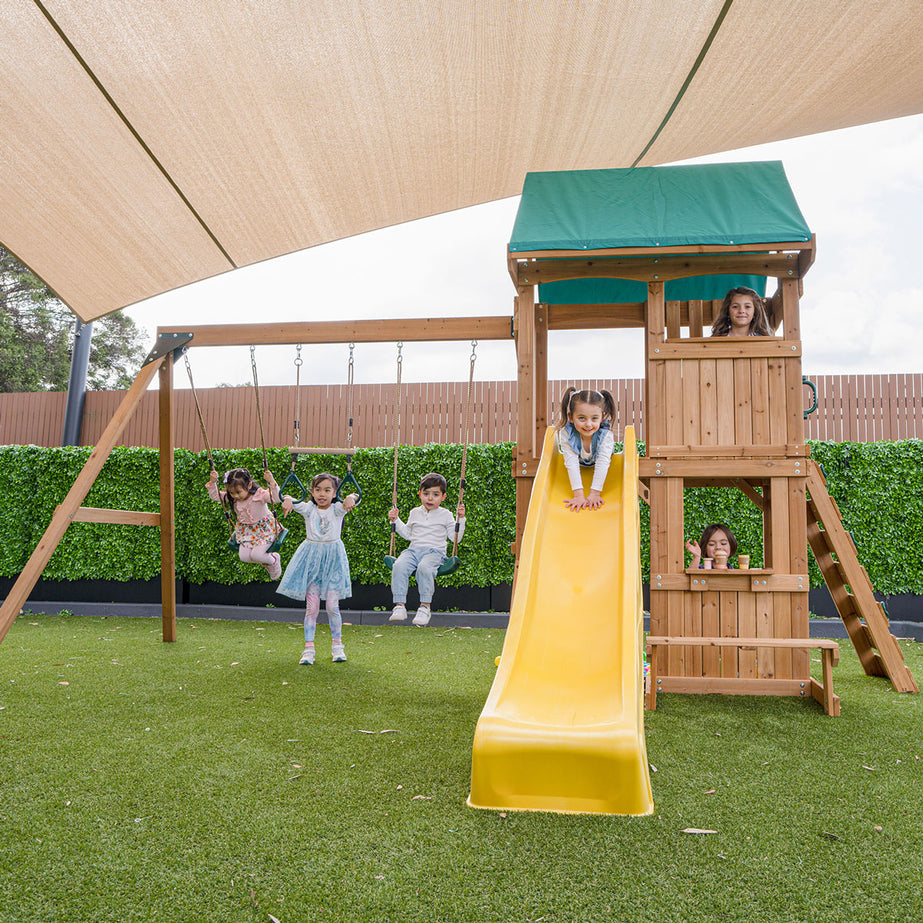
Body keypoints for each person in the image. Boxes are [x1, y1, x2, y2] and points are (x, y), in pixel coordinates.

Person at [276, 472, 358, 665]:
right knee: (311, 608)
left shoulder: (339, 509)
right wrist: (287, 499)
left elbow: (355, 497)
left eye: (327, 490)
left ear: (334, 492)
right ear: (312, 492)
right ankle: (308, 649)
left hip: (334, 563)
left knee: (331, 606)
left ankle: (337, 646)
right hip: (312, 563)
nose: (322, 494)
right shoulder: (308, 509)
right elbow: (291, 500)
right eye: (318, 490)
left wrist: (351, 497)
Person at [388, 472, 465, 627]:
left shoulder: (446, 514)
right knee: (399, 565)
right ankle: (400, 606)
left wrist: (461, 519)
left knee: (424, 567)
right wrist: (395, 521)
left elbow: (455, 537)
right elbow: (408, 534)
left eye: (435, 494)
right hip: (413, 550)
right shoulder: (415, 512)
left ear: (443, 497)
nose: (430, 498)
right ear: (420, 494)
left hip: (434, 552)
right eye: (426, 494)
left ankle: (424, 607)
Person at [207, 467, 283, 580]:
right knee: (244, 557)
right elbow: (215, 496)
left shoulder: (259, 495)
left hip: (265, 530)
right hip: (247, 532)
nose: (235, 496)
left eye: (238, 492)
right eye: (232, 492)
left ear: (249, 485)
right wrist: (213, 482)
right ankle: (265, 561)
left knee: (256, 555)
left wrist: (271, 481)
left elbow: (276, 498)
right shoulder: (232, 498)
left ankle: (274, 560)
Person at [554, 387, 616, 511]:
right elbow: (571, 462)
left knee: (603, 460)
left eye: (594, 418)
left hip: (604, 467)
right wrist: (578, 495)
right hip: (580, 463)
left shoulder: (606, 436)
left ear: (602, 417)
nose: (588, 424)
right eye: (582, 418)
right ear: (571, 417)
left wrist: (594, 493)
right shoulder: (567, 434)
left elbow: (603, 463)